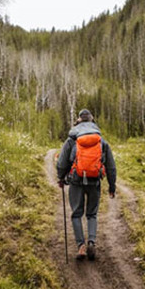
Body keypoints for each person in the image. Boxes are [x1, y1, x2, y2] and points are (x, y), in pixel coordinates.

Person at [57, 108, 117, 260]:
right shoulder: (101, 141)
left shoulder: (72, 139)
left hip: (76, 180)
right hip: (94, 180)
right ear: (92, 121)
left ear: (78, 121)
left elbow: (62, 162)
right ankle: (92, 241)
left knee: (76, 213)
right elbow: (111, 166)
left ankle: (81, 247)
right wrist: (112, 186)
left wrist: (61, 178)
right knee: (92, 214)